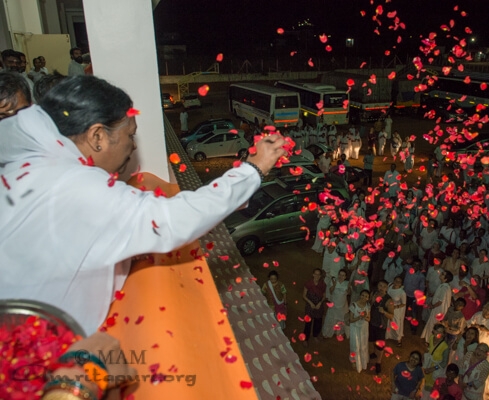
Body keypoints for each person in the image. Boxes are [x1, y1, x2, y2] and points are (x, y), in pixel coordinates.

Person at [0, 75, 288, 335]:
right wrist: (255, 168)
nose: (134, 146)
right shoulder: (76, 187)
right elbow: (173, 220)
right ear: (97, 136)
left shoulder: (33, 165)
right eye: (129, 135)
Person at [368, 280, 394, 374]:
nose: (381, 288)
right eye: (380, 285)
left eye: (383, 286)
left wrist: (384, 312)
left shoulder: (388, 300)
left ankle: (378, 362)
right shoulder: (374, 294)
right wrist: (372, 300)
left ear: (387, 288)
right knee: (371, 340)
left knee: (380, 345)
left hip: (381, 326)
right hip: (371, 323)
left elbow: (391, 316)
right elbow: (368, 306)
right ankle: (373, 353)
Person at [421, 270, 453, 343]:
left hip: (439, 310)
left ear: (445, 279)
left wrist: (432, 306)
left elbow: (440, 301)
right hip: (438, 309)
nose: (441, 274)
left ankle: (430, 341)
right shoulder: (443, 286)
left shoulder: (444, 288)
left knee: (434, 325)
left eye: (443, 274)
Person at [322, 268, 350, 338]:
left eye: (343, 275)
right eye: (340, 275)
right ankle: (328, 333)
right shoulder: (333, 281)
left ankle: (338, 332)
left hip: (342, 306)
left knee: (341, 319)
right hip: (334, 304)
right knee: (331, 318)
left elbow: (349, 293)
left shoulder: (347, 283)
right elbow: (331, 291)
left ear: (345, 277)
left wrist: (349, 289)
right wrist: (334, 285)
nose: (341, 277)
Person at [302, 268, 327, 346]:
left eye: (318, 274)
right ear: (313, 274)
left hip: (319, 306)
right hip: (310, 306)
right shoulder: (308, 284)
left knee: (318, 322)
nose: (317, 276)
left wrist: (320, 303)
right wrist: (310, 303)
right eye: (315, 274)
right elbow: (304, 295)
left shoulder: (322, 284)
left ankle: (315, 335)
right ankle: (306, 339)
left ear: (320, 276)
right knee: (308, 323)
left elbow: (324, 296)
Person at [348, 289, 370, 373]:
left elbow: (368, 319)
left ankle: (363, 360)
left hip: (364, 328)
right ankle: (354, 360)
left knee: (363, 344)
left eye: (366, 296)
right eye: (363, 295)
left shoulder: (367, 306)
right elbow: (351, 319)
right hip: (355, 328)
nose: (364, 297)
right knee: (355, 345)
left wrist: (365, 317)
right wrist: (359, 317)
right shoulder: (354, 305)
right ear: (360, 296)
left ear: (368, 298)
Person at [423, 323, 450, 391]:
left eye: (441, 332)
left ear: (443, 334)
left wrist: (433, 369)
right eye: (437, 331)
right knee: (426, 382)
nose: (438, 333)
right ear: (433, 331)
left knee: (433, 386)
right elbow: (429, 348)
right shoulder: (431, 337)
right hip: (429, 364)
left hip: (436, 368)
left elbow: (444, 363)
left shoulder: (445, 347)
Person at [386, 274, 406, 347]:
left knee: (396, 324)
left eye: (399, 282)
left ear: (401, 283)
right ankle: (389, 335)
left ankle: (398, 339)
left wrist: (395, 307)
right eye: (396, 280)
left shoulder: (402, 293)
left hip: (396, 310)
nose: (397, 282)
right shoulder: (390, 286)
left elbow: (403, 304)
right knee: (388, 322)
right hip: (388, 307)